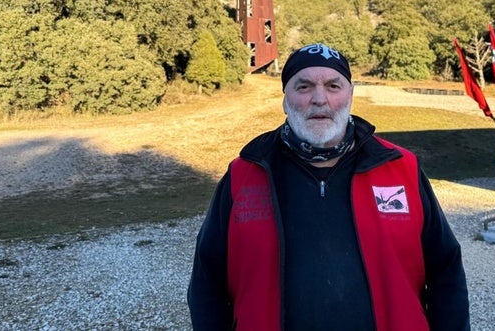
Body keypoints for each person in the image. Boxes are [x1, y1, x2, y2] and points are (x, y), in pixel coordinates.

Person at [187, 43, 470, 331]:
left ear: (350, 96)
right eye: (304, 86)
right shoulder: (244, 174)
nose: (319, 99)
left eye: (333, 86)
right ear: (285, 100)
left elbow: (445, 271)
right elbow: (207, 283)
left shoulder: (401, 168)